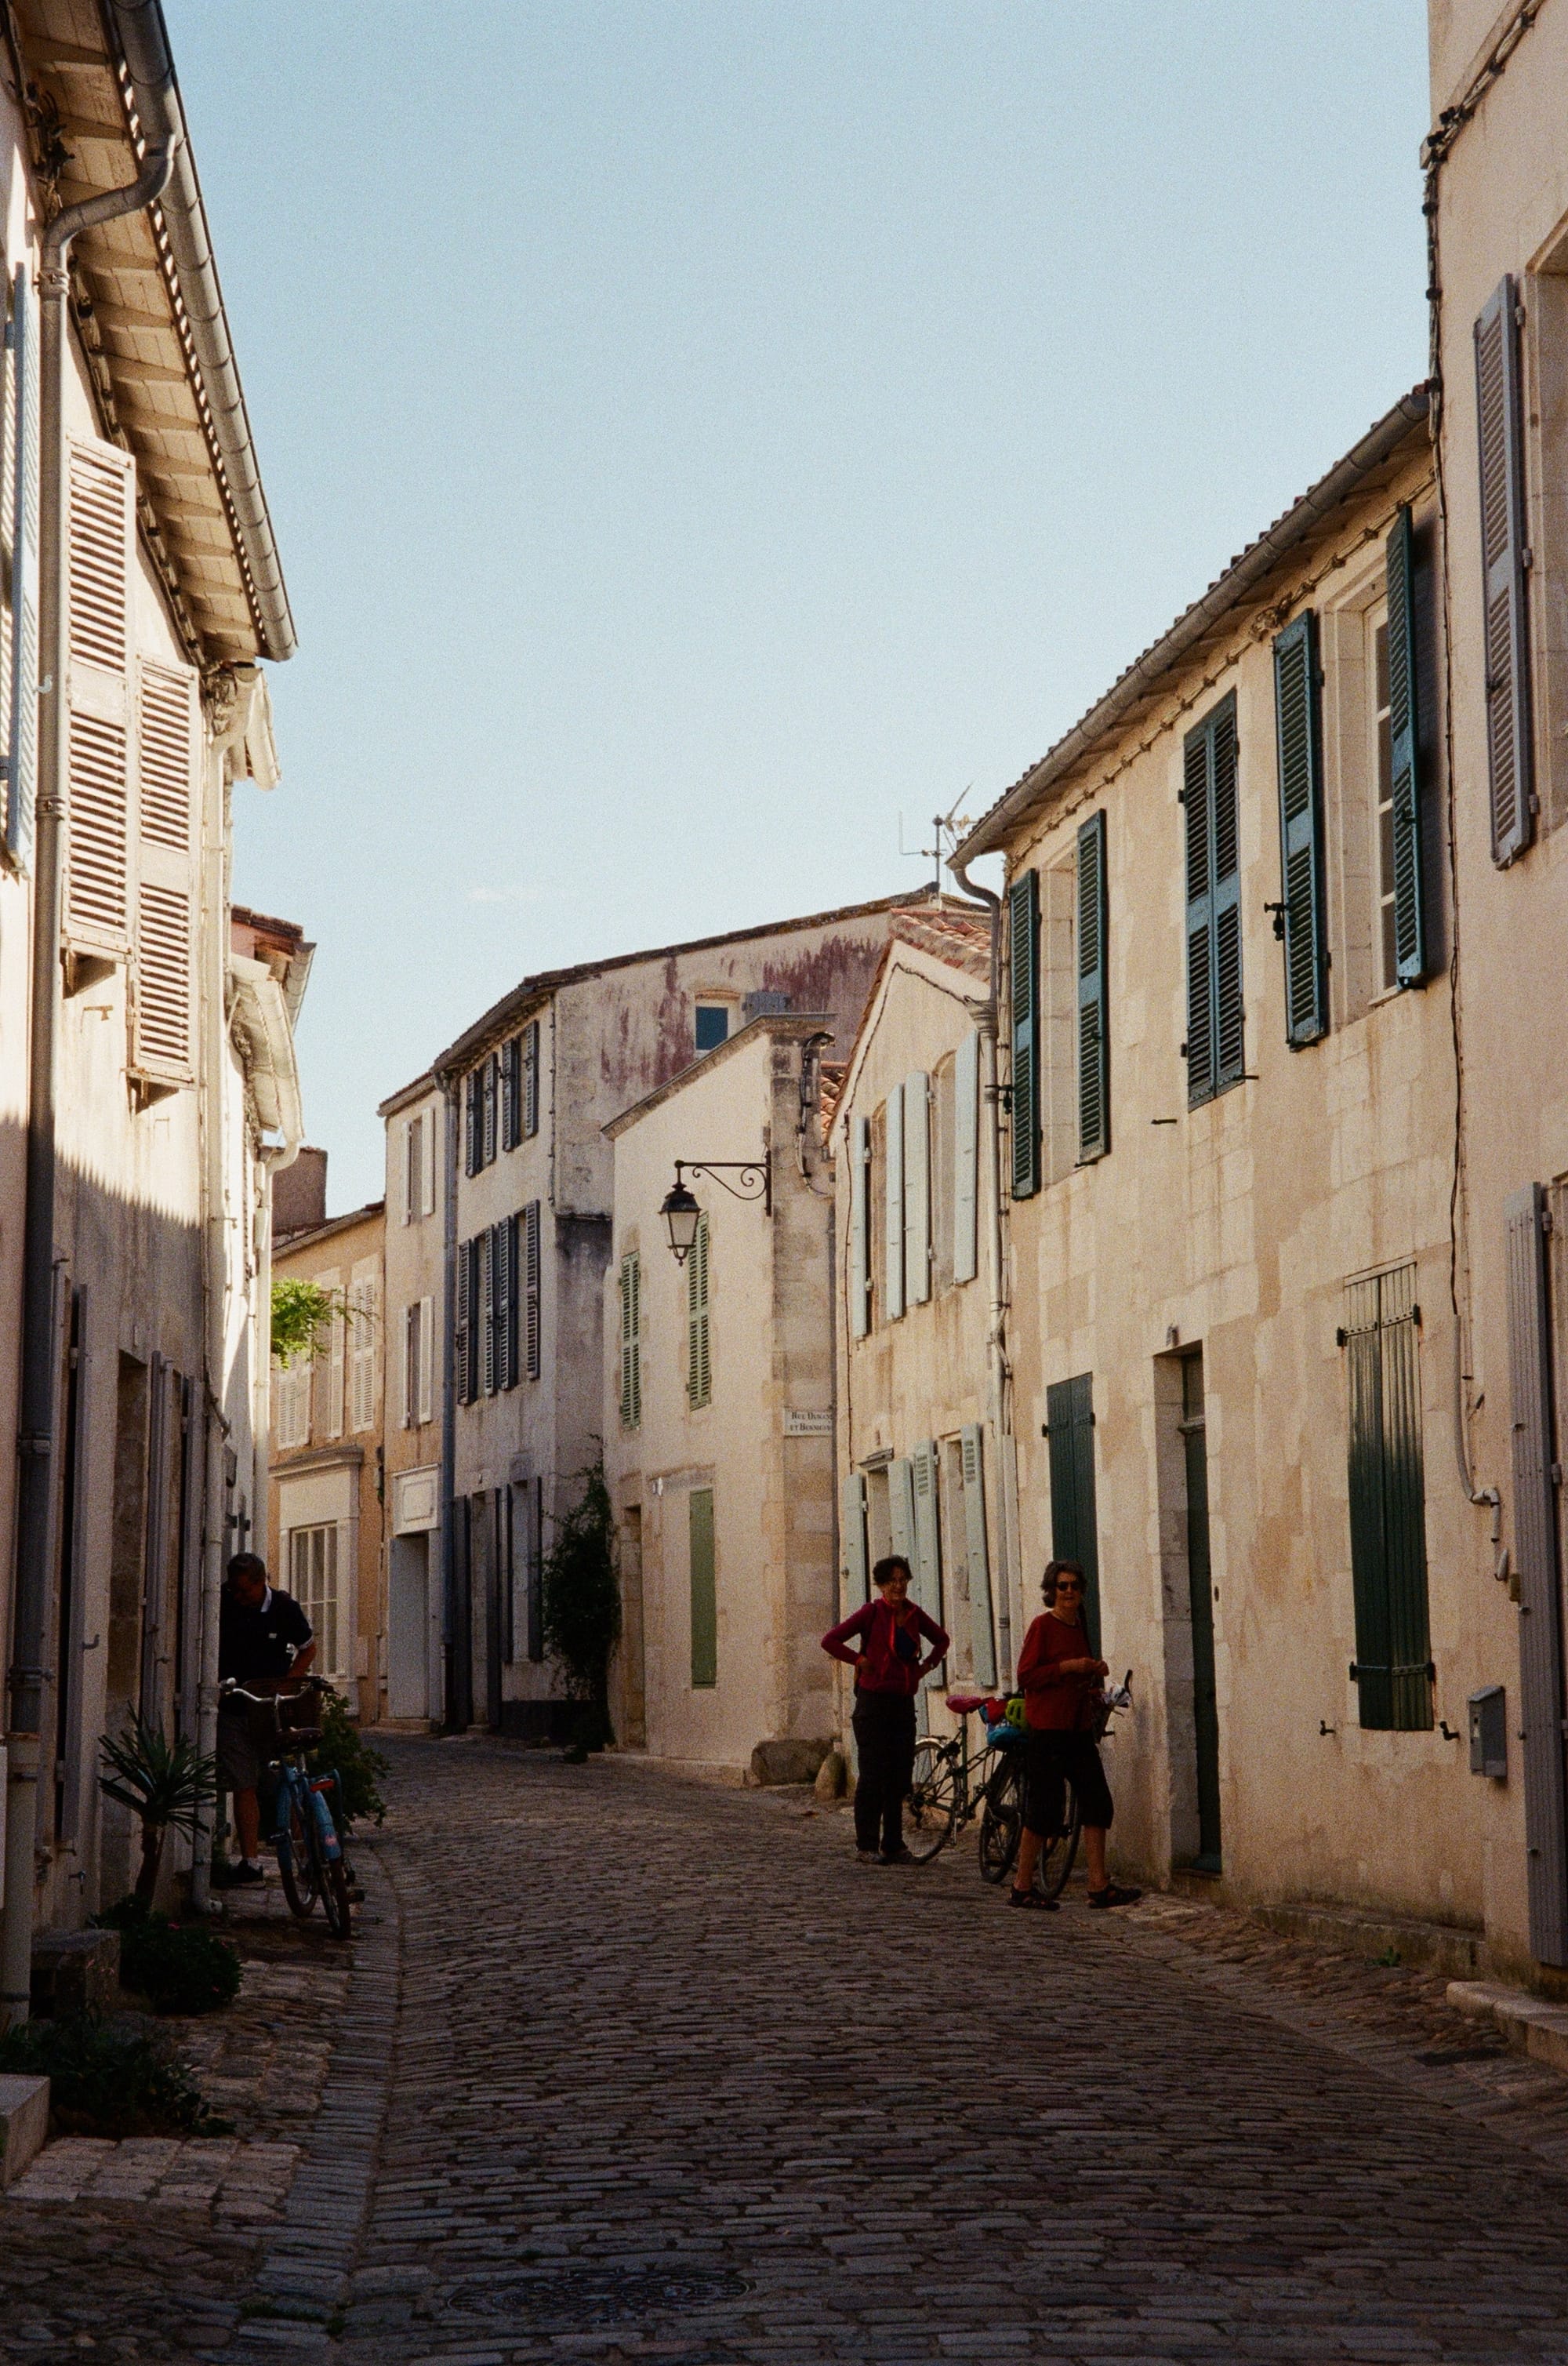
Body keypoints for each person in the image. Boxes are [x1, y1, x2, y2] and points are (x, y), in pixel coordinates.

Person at [1010, 1559, 1140, 1911]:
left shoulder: (1078, 1626)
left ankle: (1099, 1885)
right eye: (1062, 1586)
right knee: (1043, 1811)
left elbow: (1076, 1677)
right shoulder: (1043, 1626)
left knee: (1097, 1803)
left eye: (1075, 1587)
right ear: (1051, 1591)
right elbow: (1026, 1676)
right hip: (1049, 1730)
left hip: (1078, 1729)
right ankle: (1022, 1886)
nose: (1069, 1592)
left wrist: (1094, 1676)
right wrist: (1069, 1668)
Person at [822, 1555, 950, 1865]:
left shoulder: (915, 1615)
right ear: (881, 1585)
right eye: (892, 1580)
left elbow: (942, 1641)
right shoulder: (871, 1613)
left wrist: (925, 1668)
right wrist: (859, 1660)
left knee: (898, 1777)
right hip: (873, 1704)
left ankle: (893, 1844)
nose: (898, 1585)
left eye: (902, 1578)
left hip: (902, 1704)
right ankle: (866, 1844)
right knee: (872, 1776)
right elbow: (831, 1640)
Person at [215, 1550, 315, 1885]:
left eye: (245, 1591)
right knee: (244, 1784)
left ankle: (307, 1859)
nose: (239, 1597)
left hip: (272, 1708)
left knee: (288, 1780)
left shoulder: (284, 1608)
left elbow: (308, 1646)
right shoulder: (224, 1603)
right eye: (235, 1591)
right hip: (235, 1706)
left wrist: (290, 1681)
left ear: (261, 1583)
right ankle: (251, 1863)